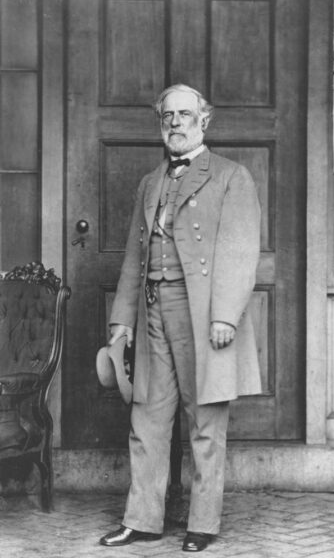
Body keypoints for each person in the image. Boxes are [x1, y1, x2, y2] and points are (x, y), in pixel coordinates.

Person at [99, 84, 261, 552]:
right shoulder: (150, 182)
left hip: (204, 312)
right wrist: (121, 323)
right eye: (167, 116)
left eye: (184, 115)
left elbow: (239, 251)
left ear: (204, 121)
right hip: (151, 310)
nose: (175, 123)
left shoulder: (232, 176)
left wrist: (226, 315)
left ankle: (203, 523)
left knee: (205, 418)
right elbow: (135, 255)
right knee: (147, 415)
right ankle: (142, 519)